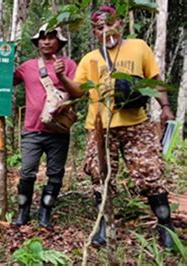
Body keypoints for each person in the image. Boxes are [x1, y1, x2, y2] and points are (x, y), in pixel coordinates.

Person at [58, 6, 176, 248]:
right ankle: (104, 226)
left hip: (136, 124)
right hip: (100, 128)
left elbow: (153, 80)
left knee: (149, 172)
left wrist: (165, 106)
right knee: (100, 176)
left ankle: (166, 225)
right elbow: (79, 90)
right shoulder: (90, 58)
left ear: (120, 24)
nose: (106, 30)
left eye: (110, 24)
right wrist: (61, 78)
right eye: (100, 28)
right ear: (94, 32)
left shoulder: (139, 47)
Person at [12, 23, 78, 227]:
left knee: (55, 174)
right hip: (32, 130)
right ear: (37, 42)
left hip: (58, 130)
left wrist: (61, 77)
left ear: (59, 42)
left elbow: (77, 92)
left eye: (51, 37)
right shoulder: (28, 66)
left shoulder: (69, 65)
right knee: (27, 172)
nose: (46, 41)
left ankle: (45, 213)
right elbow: (4, 80)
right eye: (42, 38)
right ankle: (23, 213)